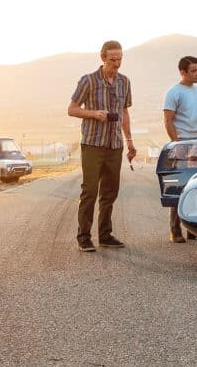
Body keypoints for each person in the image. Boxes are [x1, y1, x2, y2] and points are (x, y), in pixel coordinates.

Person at [67, 40, 137, 252]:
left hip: (115, 145)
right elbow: (72, 109)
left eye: (120, 59)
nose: (117, 63)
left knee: (110, 191)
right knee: (89, 190)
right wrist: (94, 114)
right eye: (113, 59)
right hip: (92, 144)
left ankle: (105, 235)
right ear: (102, 57)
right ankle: (84, 237)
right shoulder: (88, 81)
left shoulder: (124, 82)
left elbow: (124, 112)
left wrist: (130, 140)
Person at [163, 56, 197, 242]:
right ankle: (175, 230)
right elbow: (168, 120)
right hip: (183, 142)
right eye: (193, 70)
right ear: (183, 72)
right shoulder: (173, 92)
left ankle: (193, 230)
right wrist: (176, 143)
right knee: (180, 186)